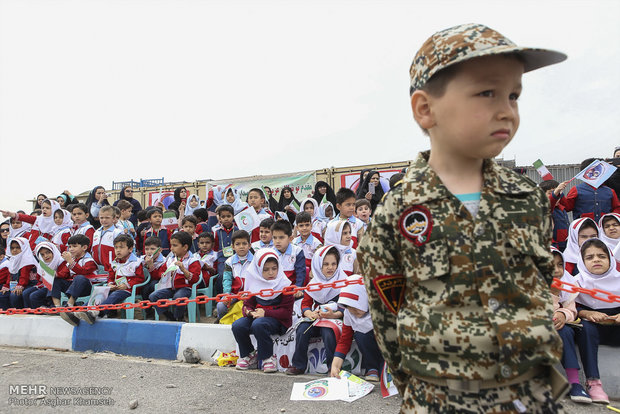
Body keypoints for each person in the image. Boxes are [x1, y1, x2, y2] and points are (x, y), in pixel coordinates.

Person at [358, 23, 567, 412]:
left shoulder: (527, 198)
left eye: (514, 95)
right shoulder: (398, 211)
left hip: (531, 395)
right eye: (487, 93)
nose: (506, 110)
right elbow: (387, 318)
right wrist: (422, 388)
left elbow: (541, 282)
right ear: (425, 109)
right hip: (441, 398)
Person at [232, 248, 294, 373]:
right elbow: (247, 305)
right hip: (258, 317)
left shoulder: (284, 284)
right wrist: (249, 312)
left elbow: (286, 312)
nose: (271, 272)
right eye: (266, 269)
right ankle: (249, 355)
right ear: (259, 269)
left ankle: (268, 358)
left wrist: (266, 313)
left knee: (258, 324)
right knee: (238, 325)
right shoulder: (254, 282)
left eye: (274, 268)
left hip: (278, 321)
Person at [286, 245, 345, 375]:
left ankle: (332, 367)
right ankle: (299, 365)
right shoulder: (313, 284)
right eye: (325, 264)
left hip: (335, 318)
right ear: (318, 265)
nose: (330, 267)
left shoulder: (343, 281)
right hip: (317, 317)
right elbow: (305, 304)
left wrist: (332, 315)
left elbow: (345, 306)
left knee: (328, 332)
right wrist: (309, 313)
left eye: (333, 264)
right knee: (302, 330)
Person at [574, 238, 620, 404]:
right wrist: (585, 313)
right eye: (590, 257)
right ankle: (594, 383)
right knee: (585, 327)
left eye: (601, 256)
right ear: (582, 261)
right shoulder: (576, 282)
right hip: (593, 332)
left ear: (610, 259)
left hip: (616, 330)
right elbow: (568, 307)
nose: (596, 260)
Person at [549, 247, 590, 403]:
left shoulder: (567, 282)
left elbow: (571, 310)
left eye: (560, 265)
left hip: (556, 326)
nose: (557, 270)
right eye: (551, 265)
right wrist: (554, 295)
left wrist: (562, 314)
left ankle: (575, 383)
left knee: (565, 332)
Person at [77, 234, 145, 324]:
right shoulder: (114, 262)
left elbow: (140, 278)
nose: (118, 250)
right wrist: (110, 284)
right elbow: (111, 277)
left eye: (121, 247)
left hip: (128, 290)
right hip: (115, 288)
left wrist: (127, 285)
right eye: (116, 248)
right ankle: (82, 310)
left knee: (114, 296)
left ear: (130, 249)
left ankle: (98, 312)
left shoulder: (136, 262)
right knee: (99, 293)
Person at [330, 274, 384, 382]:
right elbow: (344, 340)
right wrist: (335, 366)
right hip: (369, 345)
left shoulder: (381, 309)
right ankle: (371, 367)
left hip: (386, 348)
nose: (355, 312)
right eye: (350, 308)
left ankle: (384, 368)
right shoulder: (348, 314)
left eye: (357, 307)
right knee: (360, 334)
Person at [148, 232, 201, 322]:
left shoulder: (193, 260)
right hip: (170, 287)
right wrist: (160, 271)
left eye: (175, 245)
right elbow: (160, 273)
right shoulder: (170, 259)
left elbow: (195, 279)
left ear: (185, 247)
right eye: (171, 245)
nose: (171, 248)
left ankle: (179, 317)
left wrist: (183, 269)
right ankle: (170, 316)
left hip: (185, 288)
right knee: (153, 296)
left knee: (178, 297)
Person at [561, 158, 620, 222]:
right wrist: (559, 194)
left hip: (604, 228)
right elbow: (567, 207)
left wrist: (611, 218)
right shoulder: (576, 190)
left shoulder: (610, 191)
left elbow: (617, 208)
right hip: (584, 228)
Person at [218, 230, 253, 321]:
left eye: (244, 244)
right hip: (234, 293)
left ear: (249, 245)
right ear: (233, 246)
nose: (241, 247)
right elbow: (227, 280)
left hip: (250, 293)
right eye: (238, 244)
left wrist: (249, 293)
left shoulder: (255, 261)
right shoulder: (229, 262)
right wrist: (227, 294)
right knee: (221, 306)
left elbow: (257, 280)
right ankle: (221, 320)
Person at [0, 237, 37, 310]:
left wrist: (20, 285)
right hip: (16, 284)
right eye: (12, 248)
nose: (15, 250)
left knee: (15, 295)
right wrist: (6, 286)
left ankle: (21, 312)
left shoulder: (27, 259)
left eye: (18, 248)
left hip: (29, 284)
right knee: (2, 294)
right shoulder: (13, 259)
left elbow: (24, 276)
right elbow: (10, 275)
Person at [270, 221, 305, 294]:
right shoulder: (270, 253)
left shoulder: (297, 251)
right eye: (274, 238)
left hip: (292, 289)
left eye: (281, 237)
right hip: (275, 290)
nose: (277, 241)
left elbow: (300, 273)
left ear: (290, 238)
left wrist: (298, 288)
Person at [540, 179, 571, 251]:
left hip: (565, 245)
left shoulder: (562, 209)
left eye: (559, 193)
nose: (557, 196)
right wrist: (557, 190)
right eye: (550, 193)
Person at [91, 206, 124, 272]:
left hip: (112, 268)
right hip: (98, 267)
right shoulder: (96, 232)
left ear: (114, 219)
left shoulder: (117, 232)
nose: (104, 220)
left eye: (107, 218)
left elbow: (122, 251)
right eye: (101, 218)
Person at [212, 205, 239, 285]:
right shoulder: (216, 232)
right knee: (221, 276)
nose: (226, 219)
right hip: (222, 259)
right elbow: (216, 247)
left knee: (236, 276)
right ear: (219, 218)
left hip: (235, 257)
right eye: (223, 217)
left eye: (228, 216)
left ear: (233, 216)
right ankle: (222, 296)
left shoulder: (237, 230)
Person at [141, 236, 166, 318]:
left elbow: (159, 277)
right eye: (147, 249)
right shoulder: (142, 259)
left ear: (159, 250)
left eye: (152, 249)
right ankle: (148, 311)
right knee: (144, 288)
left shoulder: (163, 261)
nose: (149, 252)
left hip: (159, 282)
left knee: (151, 285)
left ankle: (158, 310)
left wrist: (151, 266)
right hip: (146, 282)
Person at [292, 212, 323, 277]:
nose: (304, 228)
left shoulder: (317, 244)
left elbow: (318, 262)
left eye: (307, 225)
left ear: (311, 226)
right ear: (297, 227)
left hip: (311, 274)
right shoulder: (294, 242)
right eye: (301, 225)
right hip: (296, 273)